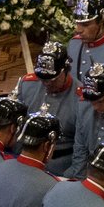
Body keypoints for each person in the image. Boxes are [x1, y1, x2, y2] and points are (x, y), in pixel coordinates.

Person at [17, 40, 78, 173]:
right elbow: (17, 127)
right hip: (24, 157)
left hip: (60, 166)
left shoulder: (81, 98)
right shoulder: (27, 84)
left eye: (52, 79)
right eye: (42, 79)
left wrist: (68, 179)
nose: (46, 84)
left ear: (66, 70)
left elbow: (82, 148)